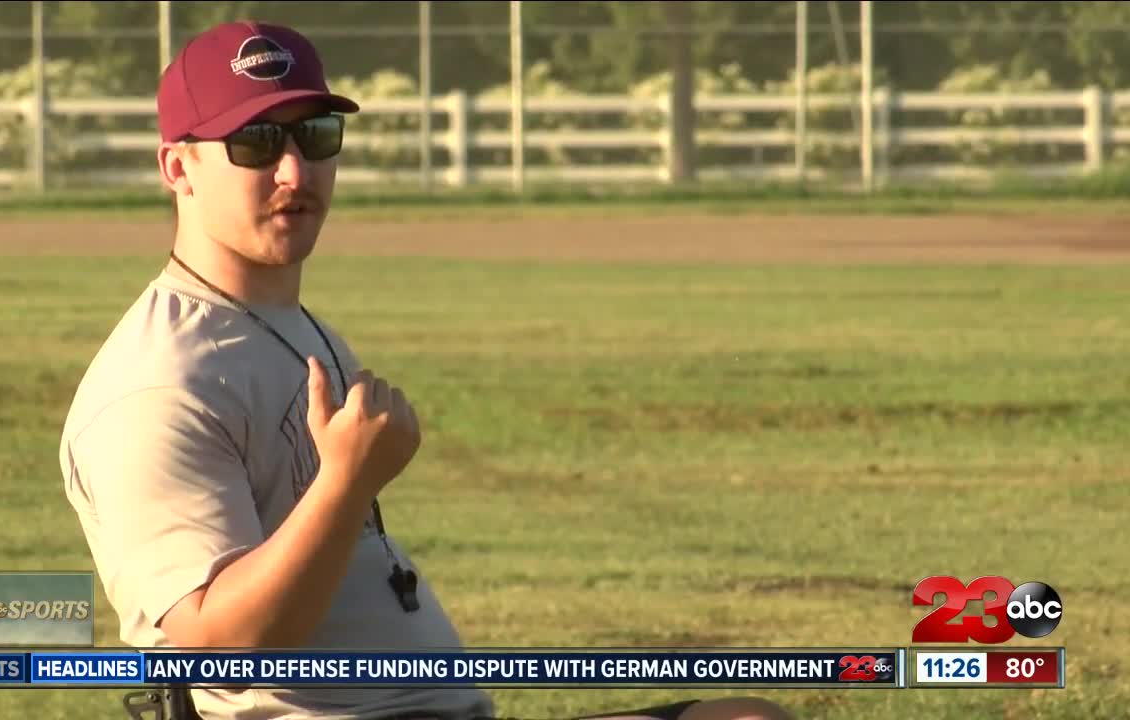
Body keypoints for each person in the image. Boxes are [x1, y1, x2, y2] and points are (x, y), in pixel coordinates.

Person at [58, 19, 793, 720]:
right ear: (177, 167)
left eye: (314, 136)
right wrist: (347, 482)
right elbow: (222, 645)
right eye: (253, 143)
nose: (294, 170)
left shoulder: (283, 323)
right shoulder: (155, 387)